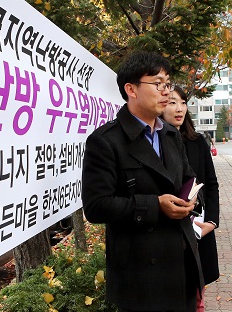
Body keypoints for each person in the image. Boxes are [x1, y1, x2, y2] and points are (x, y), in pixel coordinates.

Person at [81, 51, 203, 312]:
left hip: (181, 262)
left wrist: (192, 197)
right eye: (158, 84)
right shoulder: (105, 141)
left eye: (168, 84)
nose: (167, 92)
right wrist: (155, 206)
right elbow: (96, 206)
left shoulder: (170, 134)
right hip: (140, 275)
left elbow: (188, 177)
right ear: (131, 89)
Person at [161, 86, 220, 312]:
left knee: (197, 297)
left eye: (183, 103)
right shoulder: (153, 143)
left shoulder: (197, 142)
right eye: (172, 102)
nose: (179, 109)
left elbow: (211, 184)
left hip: (199, 228)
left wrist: (211, 223)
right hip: (167, 231)